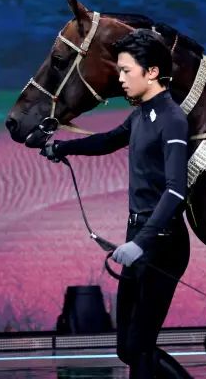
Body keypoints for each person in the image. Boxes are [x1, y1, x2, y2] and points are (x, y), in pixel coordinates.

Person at [42, 29, 190, 378]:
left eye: (126, 71)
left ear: (152, 72)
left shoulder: (172, 118)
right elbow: (108, 141)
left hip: (162, 242)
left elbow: (176, 192)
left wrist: (141, 243)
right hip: (138, 234)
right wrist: (61, 147)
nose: (120, 78)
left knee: (140, 347)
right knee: (127, 347)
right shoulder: (140, 115)